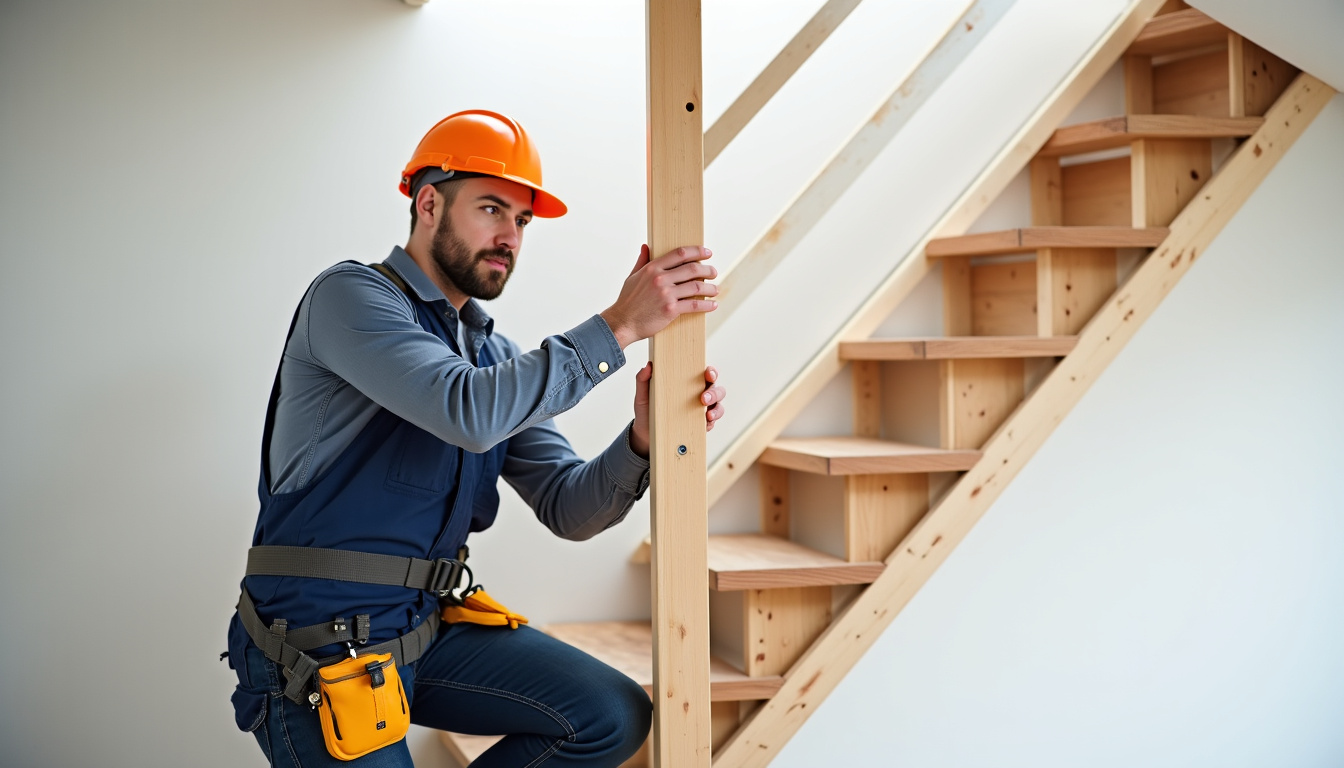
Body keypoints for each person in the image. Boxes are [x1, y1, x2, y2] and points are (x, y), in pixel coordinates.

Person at [224, 109, 725, 767]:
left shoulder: (494, 360)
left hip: (421, 632)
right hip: (320, 643)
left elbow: (570, 507)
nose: (510, 236)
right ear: (429, 204)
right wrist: (619, 326)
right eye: (492, 209)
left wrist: (641, 438)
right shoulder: (349, 299)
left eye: (521, 220)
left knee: (608, 714)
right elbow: (465, 410)